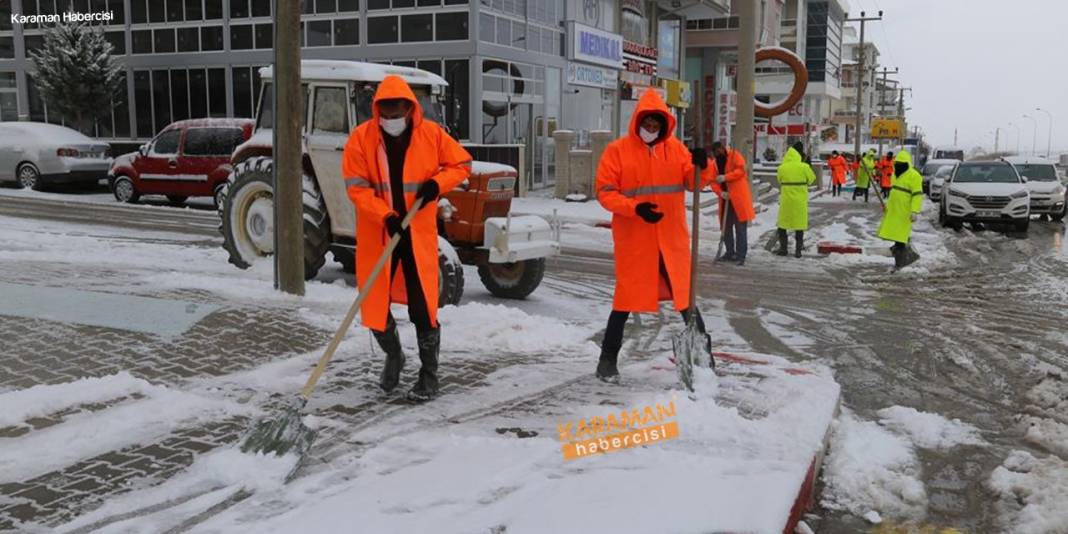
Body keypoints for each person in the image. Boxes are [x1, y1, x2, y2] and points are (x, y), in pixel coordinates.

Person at [342, 75, 472, 402]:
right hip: (380, 232)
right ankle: (394, 356)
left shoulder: (431, 135)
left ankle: (429, 376)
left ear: (410, 109)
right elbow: (357, 189)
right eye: (385, 115)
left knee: (422, 305)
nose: (391, 121)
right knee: (373, 302)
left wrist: (436, 185)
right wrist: (383, 214)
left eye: (396, 114)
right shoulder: (361, 139)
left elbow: (461, 164)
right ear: (376, 112)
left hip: (416, 234)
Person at [593, 88, 715, 383]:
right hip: (636, 240)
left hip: (670, 239)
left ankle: (704, 358)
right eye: (646, 125)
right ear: (637, 123)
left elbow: (693, 181)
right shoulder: (617, 151)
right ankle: (607, 361)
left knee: (686, 297)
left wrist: (704, 163)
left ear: (664, 125)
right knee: (624, 302)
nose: (651, 130)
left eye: (656, 126)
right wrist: (635, 209)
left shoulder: (675, 150)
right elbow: (605, 193)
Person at [708, 141, 754, 266]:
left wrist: (725, 177)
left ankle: (740, 255)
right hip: (725, 200)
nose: (718, 154)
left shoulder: (735, 156)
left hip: (738, 198)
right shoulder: (714, 164)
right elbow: (712, 181)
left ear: (723, 148)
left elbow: (741, 171)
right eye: (715, 153)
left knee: (740, 228)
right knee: (726, 227)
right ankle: (729, 252)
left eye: (719, 151)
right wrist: (720, 193)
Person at [877, 151, 924, 271]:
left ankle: (901, 261)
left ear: (907, 164)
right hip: (894, 210)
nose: (898, 166)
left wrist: (915, 211)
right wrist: (887, 205)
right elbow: (894, 192)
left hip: (905, 211)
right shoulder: (895, 174)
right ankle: (899, 254)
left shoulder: (914, 176)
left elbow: (917, 195)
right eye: (897, 163)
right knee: (896, 234)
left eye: (901, 164)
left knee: (901, 236)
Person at [775, 142, 817, 258]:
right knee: (799, 225)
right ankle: (798, 251)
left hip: (786, 200)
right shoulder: (804, 167)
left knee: (782, 224)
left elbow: (779, 180)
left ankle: (783, 249)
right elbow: (812, 179)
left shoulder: (782, 168)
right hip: (800, 200)